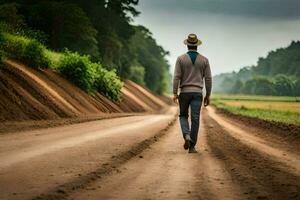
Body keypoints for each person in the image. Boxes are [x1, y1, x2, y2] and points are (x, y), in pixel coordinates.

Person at [173, 33, 212, 153]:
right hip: (197, 93)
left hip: (184, 93)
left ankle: (186, 135)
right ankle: (192, 146)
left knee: (183, 116)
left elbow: (176, 77)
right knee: (195, 118)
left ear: (187, 45)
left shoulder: (180, 59)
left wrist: (175, 93)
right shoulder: (204, 60)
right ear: (197, 45)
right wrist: (208, 94)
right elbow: (208, 78)